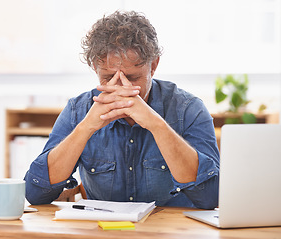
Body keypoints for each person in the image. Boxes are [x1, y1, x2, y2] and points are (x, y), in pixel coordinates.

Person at [24, 11, 219, 209]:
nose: (120, 88)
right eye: (108, 78)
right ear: (95, 67)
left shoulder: (188, 109)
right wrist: (86, 128)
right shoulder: (78, 110)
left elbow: (211, 197)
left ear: (153, 66)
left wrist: (157, 125)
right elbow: (35, 193)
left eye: (132, 78)